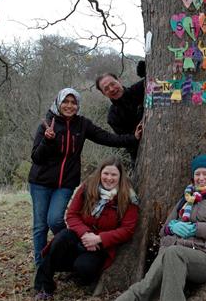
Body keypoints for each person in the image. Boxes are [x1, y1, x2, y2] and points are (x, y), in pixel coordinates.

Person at [28, 88, 142, 267]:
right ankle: (41, 265)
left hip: (65, 183)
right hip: (40, 182)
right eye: (65, 102)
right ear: (58, 102)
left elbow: (107, 138)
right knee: (40, 226)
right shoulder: (47, 124)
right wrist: (47, 140)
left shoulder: (82, 124)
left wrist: (132, 138)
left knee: (56, 220)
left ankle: (70, 247)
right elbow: (36, 157)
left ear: (78, 105)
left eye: (73, 103)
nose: (69, 106)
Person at [116, 154, 206, 301]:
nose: (201, 178)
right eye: (197, 174)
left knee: (174, 254)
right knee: (146, 286)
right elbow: (164, 230)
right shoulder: (186, 198)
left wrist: (196, 228)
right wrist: (173, 227)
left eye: (205, 173)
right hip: (172, 251)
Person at [33, 157, 139, 300]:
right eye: (106, 173)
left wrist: (99, 238)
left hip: (101, 245)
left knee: (85, 268)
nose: (109, 178)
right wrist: (85, 234)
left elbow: (127, 230)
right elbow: (72, 215)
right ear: (100, 173)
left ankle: (78, 273)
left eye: (114, 175)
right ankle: (44, 285)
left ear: (120, 177)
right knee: (60, 239)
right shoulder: (88, 187)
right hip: (80, 235)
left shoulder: (128, 197)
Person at [95, 67, 145, 162]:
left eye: (113, 84)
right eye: (106, 89)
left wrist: (146, 70)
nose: (112, 89)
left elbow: (158, 80)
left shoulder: (139, 89)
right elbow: (124, 141)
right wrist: (134, 136)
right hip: (140, 156)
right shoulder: (113, 117)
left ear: (119, 81)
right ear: (104, 94)